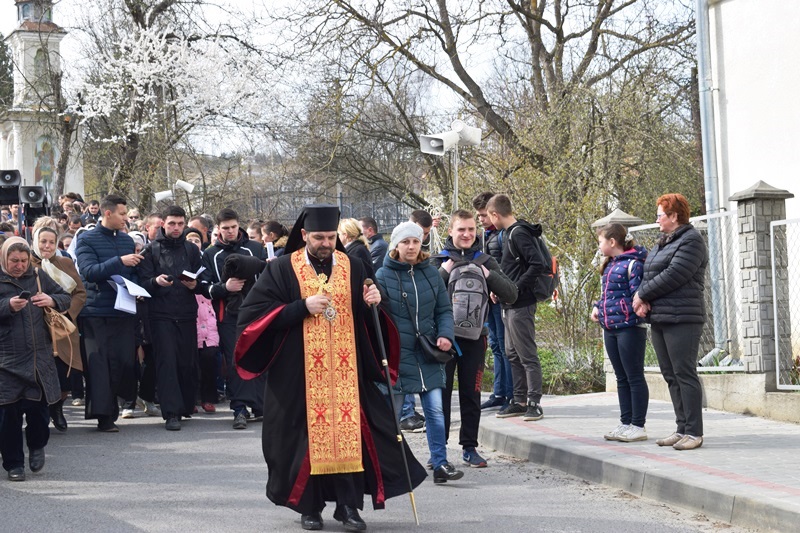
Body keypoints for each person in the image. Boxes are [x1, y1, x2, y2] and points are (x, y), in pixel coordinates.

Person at [235, 205, 426, 531]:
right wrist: (300, 307)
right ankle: (310, 508)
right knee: (302, 441)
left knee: (350, 438)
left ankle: (349, 508)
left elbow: (373, 315)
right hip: (298, 375)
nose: (326, 243)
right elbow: (253, 318)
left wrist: (375, 303)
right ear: (305, 235)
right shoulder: (282, 269)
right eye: (319, 237)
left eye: (330, 237)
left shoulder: (354, 266)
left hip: (347, 374)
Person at [375, 221, 464, 484]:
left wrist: (446, 335)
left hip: (428, 354)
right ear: (396, 246)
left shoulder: (431, 273)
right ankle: (390, 465)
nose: (411, 246)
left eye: (415, 241)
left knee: (435, 412)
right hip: (397, 356)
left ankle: (440, 463)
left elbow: (444, 310)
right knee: (391, 415)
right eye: (405, 242)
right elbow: (377, 317)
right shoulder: (382, 276)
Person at [435, 210, 518, 468]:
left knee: (471, 394)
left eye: (471, 229)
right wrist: (444, 273)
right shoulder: (438, 261)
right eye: (461, 229)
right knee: (442, 395)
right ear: (450, 231)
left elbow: (511, 294)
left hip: (475, 339)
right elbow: (425, 298)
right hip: (443, 341)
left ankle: (469, 448)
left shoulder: (486, 261)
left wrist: (488, 275)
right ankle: (439, 452)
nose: (467, 234)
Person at [633, 194, 708, 451]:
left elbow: (674, 275)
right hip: (662, 316)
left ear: (674, 216)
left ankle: (695, 432)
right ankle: (681, 428)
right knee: (670, 374)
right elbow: (649, 272)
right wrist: (641, 299)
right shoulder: (663, 242)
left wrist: (643, 295)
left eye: (660, 215)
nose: (657, 221)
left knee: (684, 373)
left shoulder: (691, 241)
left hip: (684, 318)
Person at [0, 237, 71, 481]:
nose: (19, 265)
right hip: (6, 361)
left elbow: (65, 298)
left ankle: (37, 446)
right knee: (8, 417)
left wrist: (51, 300)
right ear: (4, 259)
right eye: (13, 261)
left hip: (38, 359)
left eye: (23, 261)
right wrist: (7, 306)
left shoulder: (39, 276)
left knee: (39, 413)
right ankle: (14, 465)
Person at [75, 194, 142, 432]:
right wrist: (119, 260)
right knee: (99, 366)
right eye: (122, 214)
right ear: (108, 213)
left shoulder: (126, 240)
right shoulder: (86, 239)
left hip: (123, 310)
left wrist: (137, 288)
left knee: (124, 361)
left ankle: (123, 402)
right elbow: (89, 271)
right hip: (95, 312)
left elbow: (132, 272)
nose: (126, 219)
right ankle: (104, 416)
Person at [199, 208, 266, 429]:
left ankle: (260, 406)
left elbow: (270, 279)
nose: (229, 231)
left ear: (239, 225)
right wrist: (224, 287)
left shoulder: (256, 248)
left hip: (257, 312)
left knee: (258, 357)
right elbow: (204, 287)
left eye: (233, 227)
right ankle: (239, 409)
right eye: (225, 228)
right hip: (228, 315)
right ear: (218, 229)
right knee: (236, 359)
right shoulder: (211, 254)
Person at [137, 206, 203, 431]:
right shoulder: (150, 250)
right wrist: (156, 282)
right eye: (172, 223)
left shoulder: (191, 250)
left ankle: (185, 407)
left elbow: (201, 280)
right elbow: (142, 284)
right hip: (160, 315)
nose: (176, 228)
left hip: (186, 313)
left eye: (180, 224)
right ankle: (171, 413)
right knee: (167, 363)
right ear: (162, 223)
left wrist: (195, 285)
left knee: (186, 362)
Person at [485, 194, 545, 422]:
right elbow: (511, 269)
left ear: (495, 214)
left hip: (521, 303)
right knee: (512, 352)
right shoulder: (509, 233)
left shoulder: (518, 233)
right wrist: (501, 289)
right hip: (508, 303)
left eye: (490, 218)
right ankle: (519, 400)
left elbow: (537, 263)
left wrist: (515, 289)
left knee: (526, 354)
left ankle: (534, 403)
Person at [591, 224, 649, 443]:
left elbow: (638, 294)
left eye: (600, 242)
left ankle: (638, 425)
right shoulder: (609, 266)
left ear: (612, 242)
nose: (599, 246)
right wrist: (598, 306)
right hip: (610, 327)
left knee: (634, 376)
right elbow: (608, 294)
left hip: (629, 328)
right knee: (621, 377)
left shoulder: (633, 264)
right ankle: (625, 422)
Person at [30, 227, 87, 432]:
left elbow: (80, 293)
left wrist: (65, 312)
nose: (47, 246)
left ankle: (57, 407)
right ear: (35, 241)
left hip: (62, 326)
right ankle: (43, 412)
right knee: (41, 373)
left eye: (51, 242)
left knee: (65, 373)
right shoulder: (25, 263)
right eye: (43, 241)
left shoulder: (64, 263)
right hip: (35, 328)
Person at [473, 191, 512, 410]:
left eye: (483, 215)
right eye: (479, 216)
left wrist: (498, 287)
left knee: (506, 347)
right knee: (496, 345)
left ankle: (510, 394)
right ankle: (499, 392)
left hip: (500, 296)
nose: (481, 219)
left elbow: (505, 267)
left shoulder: (502, 234)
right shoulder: (486, 235)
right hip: (489, 297)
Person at [186, 228, 219, 413]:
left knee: (209, 360)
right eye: (189, 239)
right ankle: (192, 399)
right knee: (190, 363)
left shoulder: (207, 261)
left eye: (197, 239)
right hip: (190, 317)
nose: (193, 243)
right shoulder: (183, 261)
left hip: (209, 317)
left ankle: (208, 398)